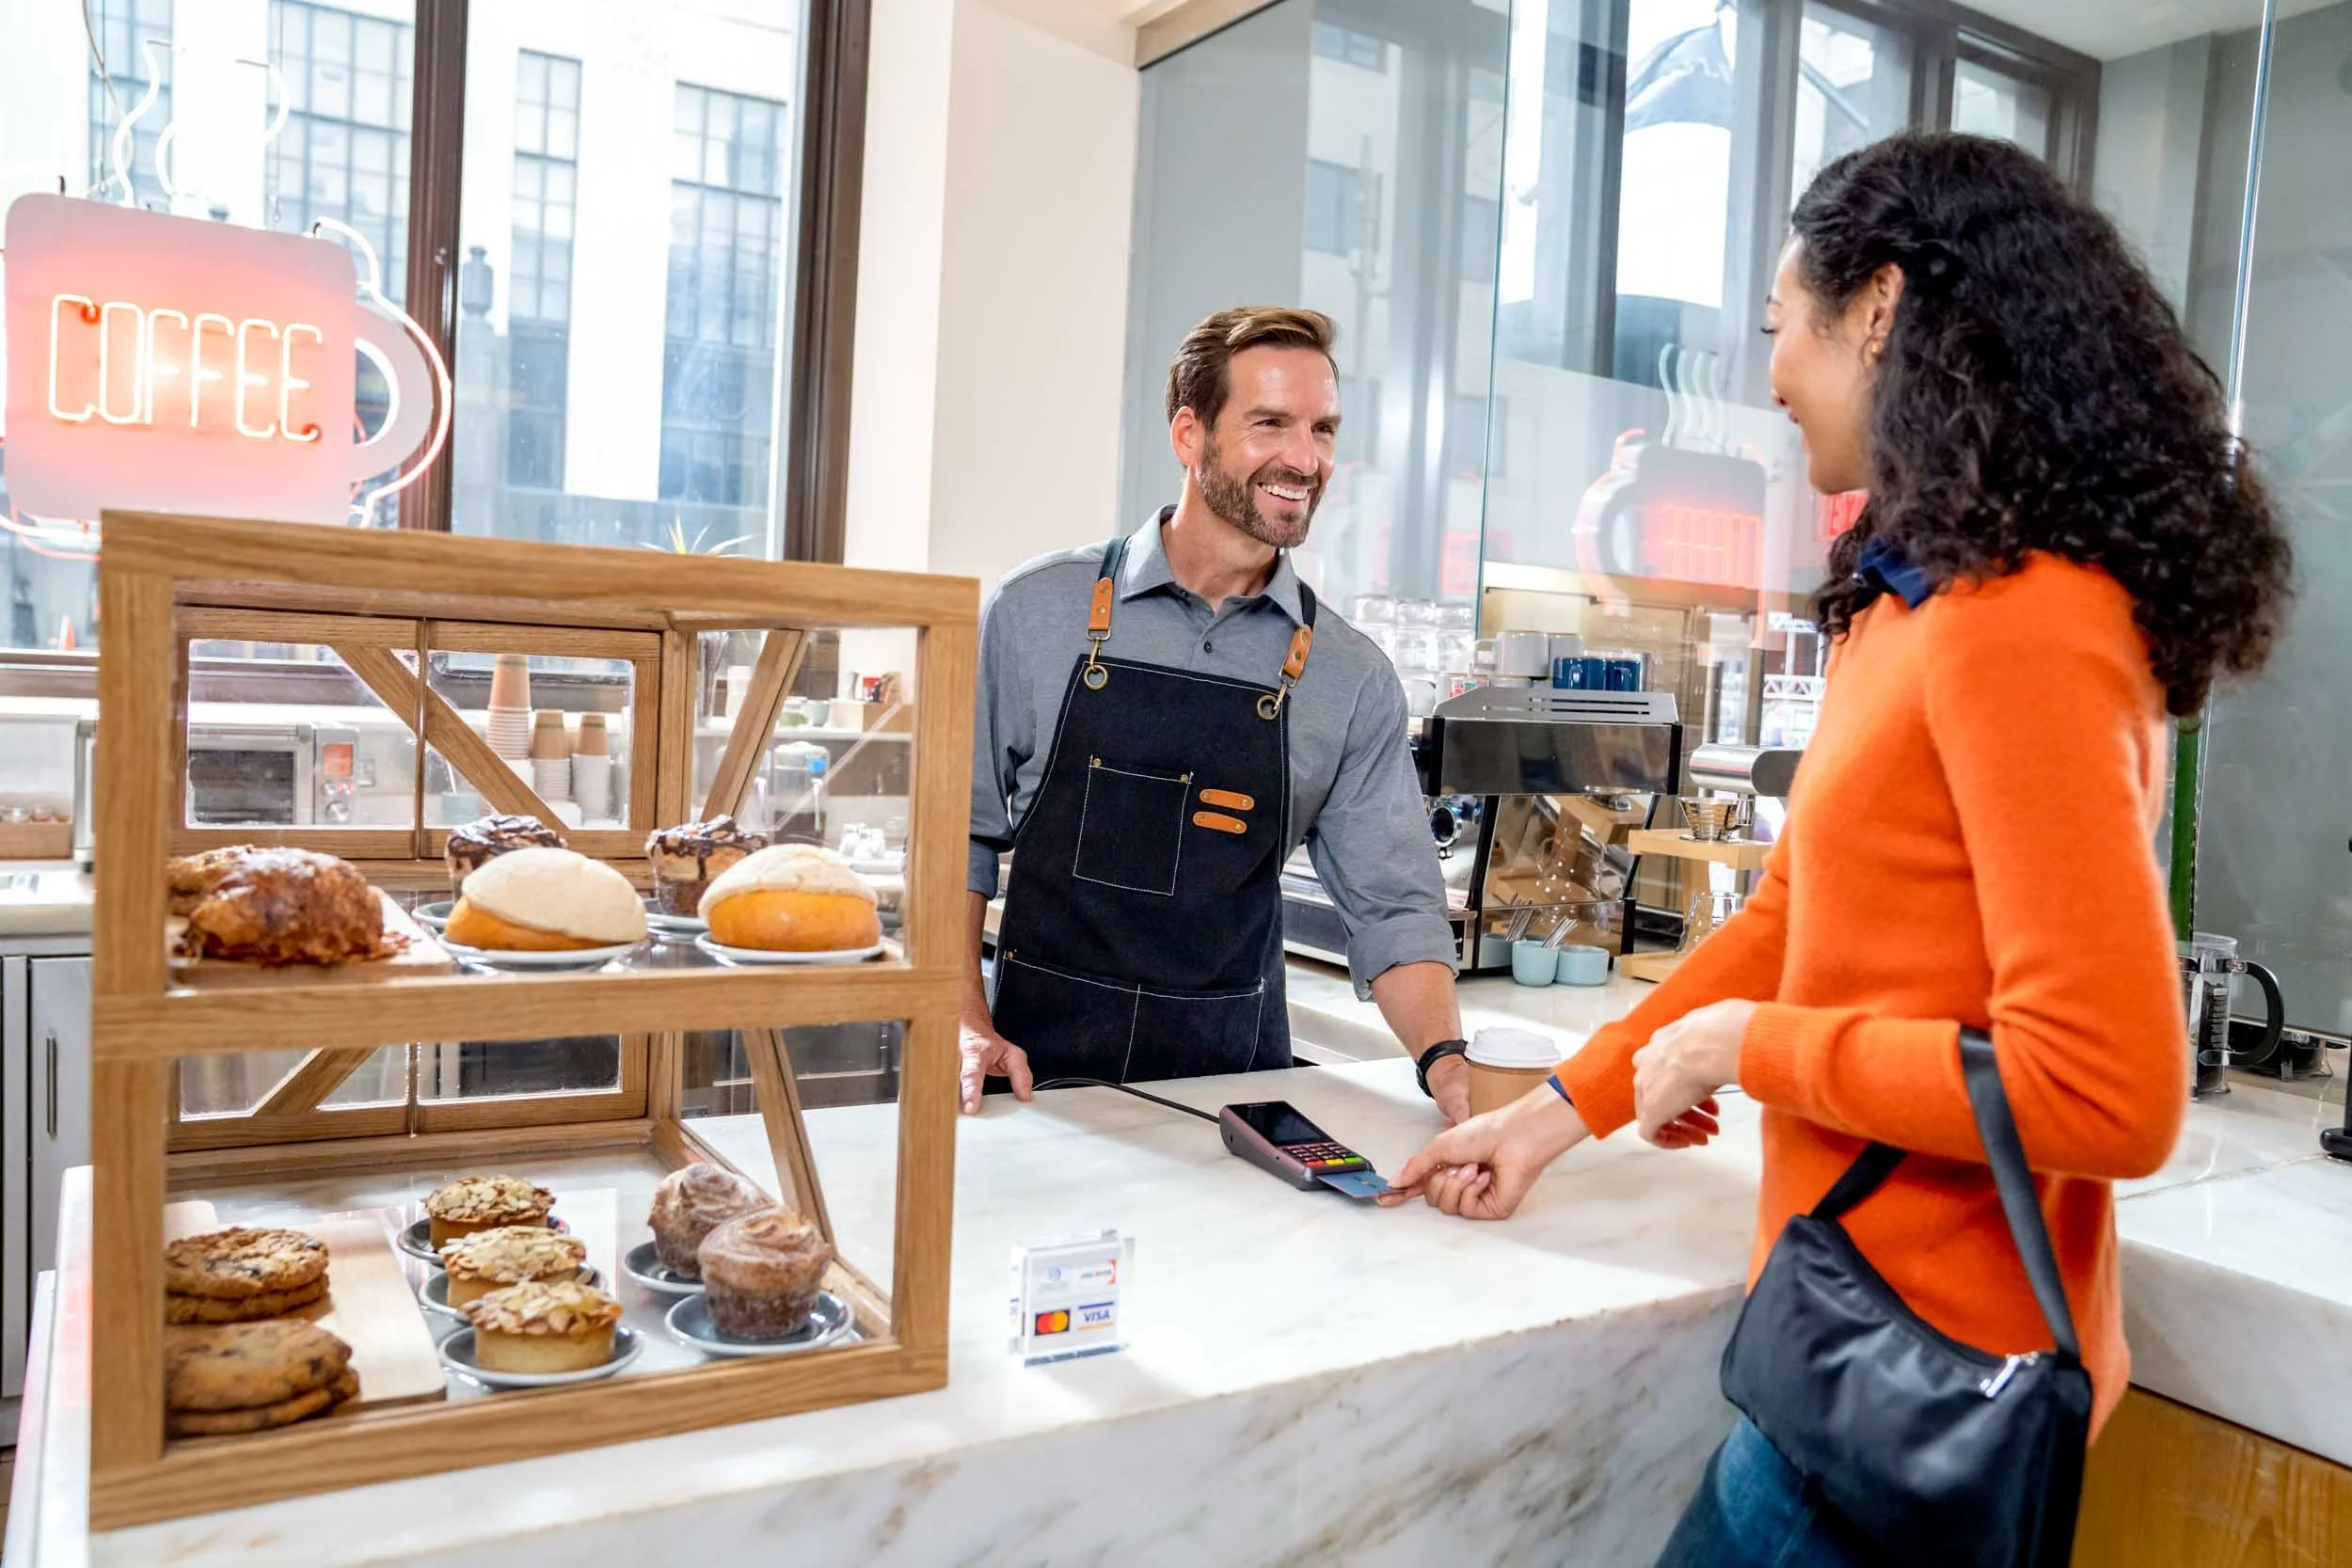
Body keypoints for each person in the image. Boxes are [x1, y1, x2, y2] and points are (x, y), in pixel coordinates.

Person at [1381, 131, 2293, 1565]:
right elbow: (1789, 920)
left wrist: (1751, 1049)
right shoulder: (1906, 604)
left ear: (1877, 308)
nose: (1770, 373)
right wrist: (1560, 1108)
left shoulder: (2029, 619)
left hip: (1930, 1401)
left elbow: (2112, 1092)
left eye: (1778, 326)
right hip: (1838, 1342)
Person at [959, 306, 1473, 1120]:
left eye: (1324, 430)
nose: (1305, 459)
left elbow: (1396, 908)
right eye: (1271, 423)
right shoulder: (1034, 612)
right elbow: (963, 841)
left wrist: (1448, 1066)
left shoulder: (1350, 677)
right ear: (1189, 437)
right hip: (1032, 1089)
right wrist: (963, 1018)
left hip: (1235, 1105)